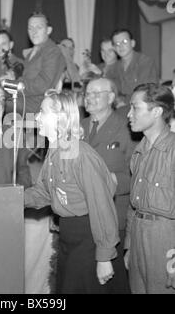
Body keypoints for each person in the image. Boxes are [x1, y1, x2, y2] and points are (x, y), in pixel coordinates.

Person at [25, 89, 119, 294]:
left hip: (87, 237)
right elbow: (43, 193)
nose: (37, 118)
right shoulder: (54, 151)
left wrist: (104, 257)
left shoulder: (81, 155)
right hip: (67, 233)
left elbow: (101, 206)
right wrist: (10, 199)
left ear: (60, 117)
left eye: (42, 112)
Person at [82, 77, 135, 293]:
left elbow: (137, 175)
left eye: (96, 93)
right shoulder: (78, 126)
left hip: (113, 216)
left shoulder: (127, 127)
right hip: (82, 215)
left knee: (109, 283)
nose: (89, 98)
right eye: (87, 94)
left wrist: (110, 180)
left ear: (111, 97)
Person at [124, 83, 175, 294]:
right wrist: (129, 245)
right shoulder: (139, 152)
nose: (128, 114)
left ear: (156, 112)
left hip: (166, 240)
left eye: (135, 108)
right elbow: (132, 206)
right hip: (138, 237)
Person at [5, 13, 66, 115]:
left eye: (39, 27)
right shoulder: (34, 51)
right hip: (26, 100)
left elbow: (42, 85)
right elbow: (26, 77)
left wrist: (15, 84)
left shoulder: (52, 51)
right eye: (30, 28)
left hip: (38, 105)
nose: (34, 32)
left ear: (48, 30)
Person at [108, 29, 158, 107]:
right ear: (114, 48)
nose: (120, 46)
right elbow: (110, 90)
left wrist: (125, 102)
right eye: (117, 44)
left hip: (142, 106)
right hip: (119, 107)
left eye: (124, 42)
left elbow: (146, 91)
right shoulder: (113, 68)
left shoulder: (145, 62)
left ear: (132, 43)